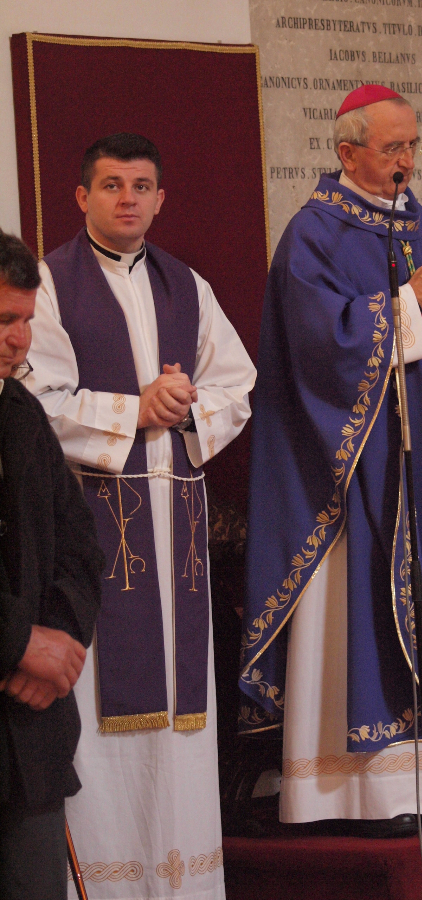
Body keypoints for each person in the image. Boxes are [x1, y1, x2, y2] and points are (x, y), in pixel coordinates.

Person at [239, 85, 422, 838]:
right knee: (360, 609)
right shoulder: (313, 233)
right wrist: (408, 300)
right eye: (393, 147)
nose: (407, 160)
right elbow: (318, 345)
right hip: (356, 467)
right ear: (347, 151)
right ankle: (360, 792)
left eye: (413, 145)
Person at [27, 134, 256, 898]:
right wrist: (137, 408)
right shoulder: (49, 284)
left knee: (181, 728)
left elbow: (237, 386)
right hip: (91, 533)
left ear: (161, 199)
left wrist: (185, 407)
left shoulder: (185, 286)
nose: (127, 199)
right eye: (111, 185)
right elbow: (33, 401)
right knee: (101, 722)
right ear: (81, 196)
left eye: (141, 186)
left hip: (176, 539)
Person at [0, 231, 103, 899]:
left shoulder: (22, 413)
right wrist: (16, 645)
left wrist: (61, 641)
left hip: (30, 742)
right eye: (4, 320)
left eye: (27, 321)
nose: (20, 340)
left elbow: (80, 546)